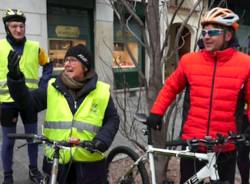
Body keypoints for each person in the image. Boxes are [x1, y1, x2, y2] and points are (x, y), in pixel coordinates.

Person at [146, 7, 250, 183]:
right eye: (204, 32)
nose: (206, 36)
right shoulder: (189, 61)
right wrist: (157, 112)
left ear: (228, 36)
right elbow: (170, 87)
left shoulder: (245, 64)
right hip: (193, 142)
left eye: (213, 32)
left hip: (225, 144)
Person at [7, 43, 120, 184]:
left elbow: (113, 119)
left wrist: (102, 140)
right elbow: (27, 103)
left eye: (72, 60)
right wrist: (16, 80)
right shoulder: (53, 87)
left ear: (85, 66)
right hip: (56, 162)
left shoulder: (101, 91)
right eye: (66, 60)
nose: (67, 64)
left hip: (90, 165)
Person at [0, 8, 52, 184]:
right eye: (14, 26)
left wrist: (43, 86)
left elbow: (48, 64)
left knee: (33, 138)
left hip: (30, 100)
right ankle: (7, 175)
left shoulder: (35, 47)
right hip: (7, 102)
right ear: (8, 27)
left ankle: (33, 170)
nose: (19, 30)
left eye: (21, 26)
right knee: (7, 142)